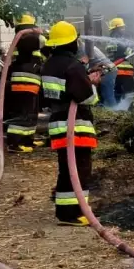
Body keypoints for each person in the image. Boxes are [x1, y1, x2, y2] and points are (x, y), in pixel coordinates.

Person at [40, 21, 101, 226]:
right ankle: (73, 213)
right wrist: (92, 83)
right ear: (71, 43)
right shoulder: (72, 65)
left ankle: (66, 210)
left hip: (58, 125)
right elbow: (86, 98)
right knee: (80, 168)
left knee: (67, 168)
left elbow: (57, 93)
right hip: (76, 126)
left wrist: (84, 76)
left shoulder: (48, 64)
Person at [3, 31, 42, 152]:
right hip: (22, 91)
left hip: (31, 90)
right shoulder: (28, 57)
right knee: (21, 117)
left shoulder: (26, 58)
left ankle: (27, 140)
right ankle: (14, 144)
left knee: (30, 116)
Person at [104, 17, 134, 104]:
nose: (124, 29)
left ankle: (118, 108)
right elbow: (122, 50)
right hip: (124, 70)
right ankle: (126, 109)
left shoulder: (110, 38)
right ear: (117, 28)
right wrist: (130, 49)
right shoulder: (119, 37)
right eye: (122, 27)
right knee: (128, 92)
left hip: (114, 69)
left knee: (117, 92)